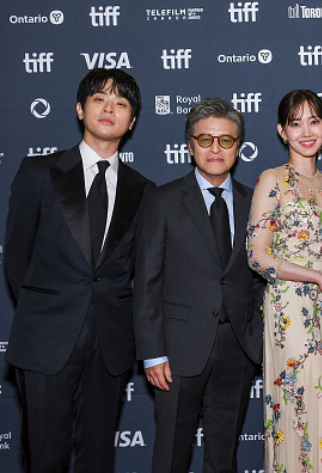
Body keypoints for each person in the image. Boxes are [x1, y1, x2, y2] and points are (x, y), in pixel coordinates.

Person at [4, 68, 153, 472]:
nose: (109, 108)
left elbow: (140, 270)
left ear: (132, 121)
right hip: (46, 337)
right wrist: (49, 305)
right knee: (44, 457)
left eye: (121, 103)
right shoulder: (39, 173)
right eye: (99, 98)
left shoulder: (144, 191)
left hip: (110, 344)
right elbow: (17, 257)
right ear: (79, 109)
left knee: (98, 459)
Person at [133, 97, 263, 473]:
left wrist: (255, 340)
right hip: (177, 352)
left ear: (238, 147)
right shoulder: (162, 201)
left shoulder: (255, 203)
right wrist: (153, 353)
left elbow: (260, 280)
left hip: (238, 351)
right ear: (190, 146)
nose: (215, 149)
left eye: (225, 140)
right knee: (171, 455)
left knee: (223, 457)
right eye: (205, 140)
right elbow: (147, 282)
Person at [247, 90, 322, 472]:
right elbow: (257, 256)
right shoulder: (273, 180)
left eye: (314, 121)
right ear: (282, 131)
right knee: (306, 408)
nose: (306, 132)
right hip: (292, 310)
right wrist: (317, 278)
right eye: (296, 123)